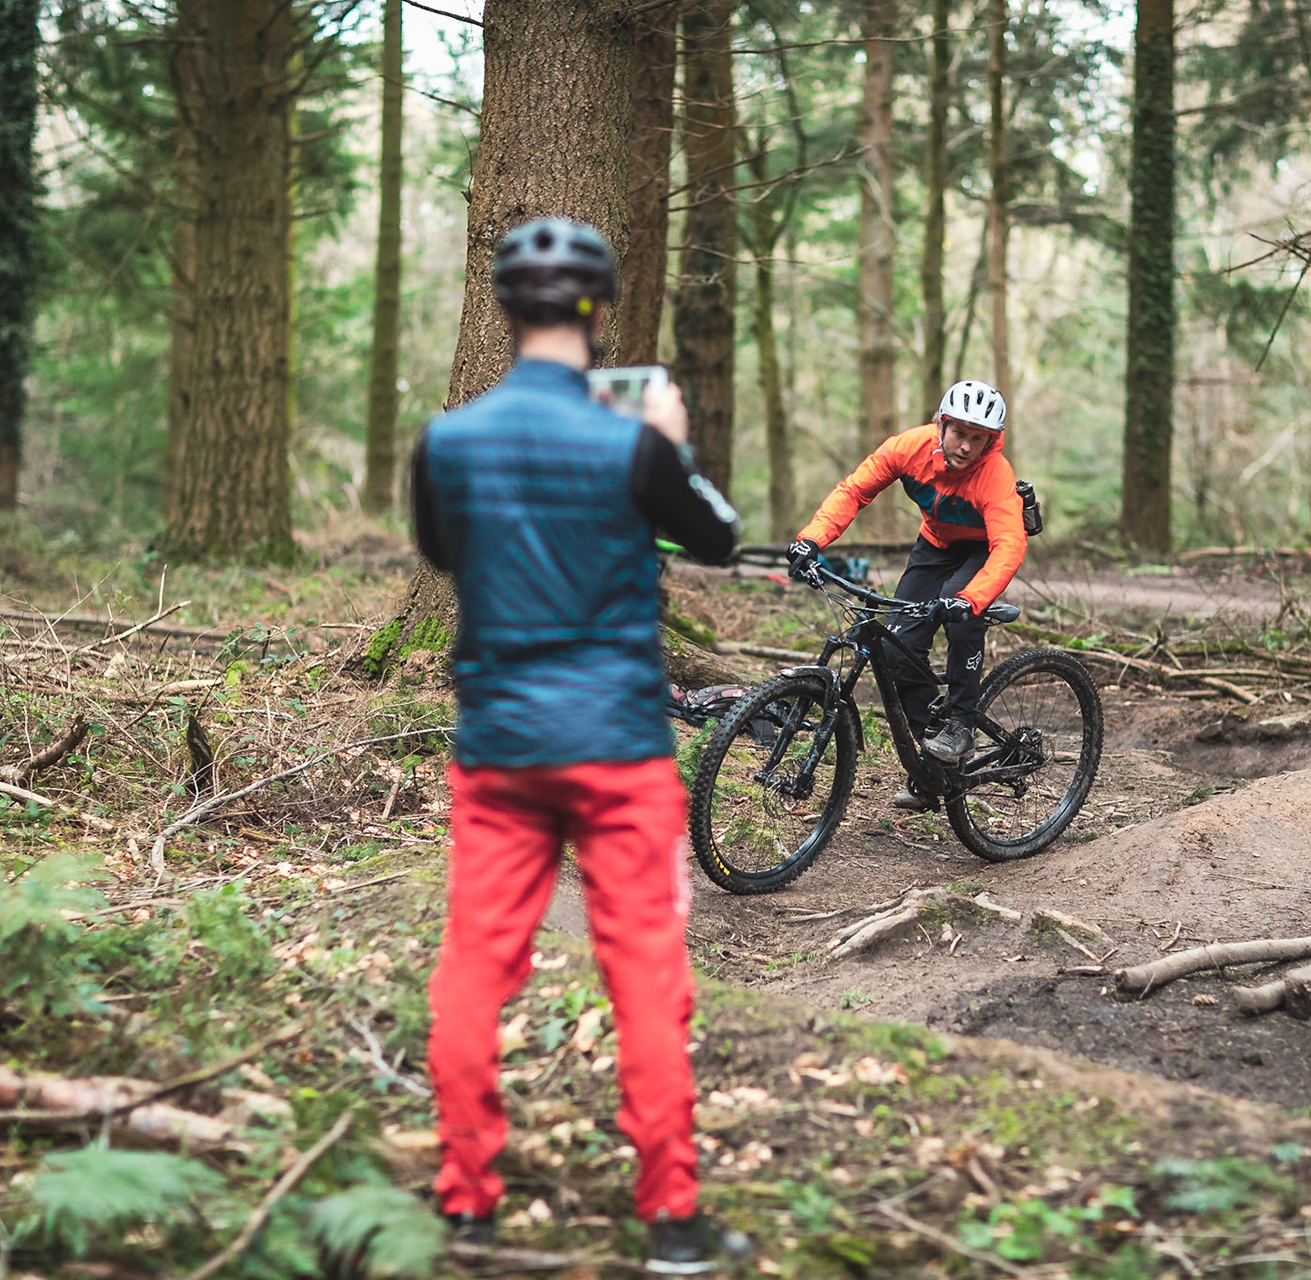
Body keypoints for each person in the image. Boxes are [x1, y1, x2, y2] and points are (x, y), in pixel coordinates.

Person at [408, 216, 744, 1274]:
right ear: (599, 313)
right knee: (645, 974)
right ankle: (673, 1220)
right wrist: (671, 445)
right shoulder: (633, 445)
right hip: (619, 747)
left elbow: (442, 550)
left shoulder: (446, 442)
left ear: (506, 310)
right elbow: (720, 537)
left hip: (499, 746)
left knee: (475, 967)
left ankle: (467, 1206)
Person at [787, 380, 1026, 809]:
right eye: (960, 433)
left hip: (983, 549)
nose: (966, 446)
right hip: (934, 545)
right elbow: (854, 490)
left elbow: (1009, 544)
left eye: (978, 439)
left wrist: (969, 600)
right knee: (899, 649)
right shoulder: (908, 447)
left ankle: (960, 723)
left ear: (991, 441)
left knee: (961, 613)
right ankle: (934, 767)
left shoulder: (995, 474)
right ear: (941, 424)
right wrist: (811, 540)